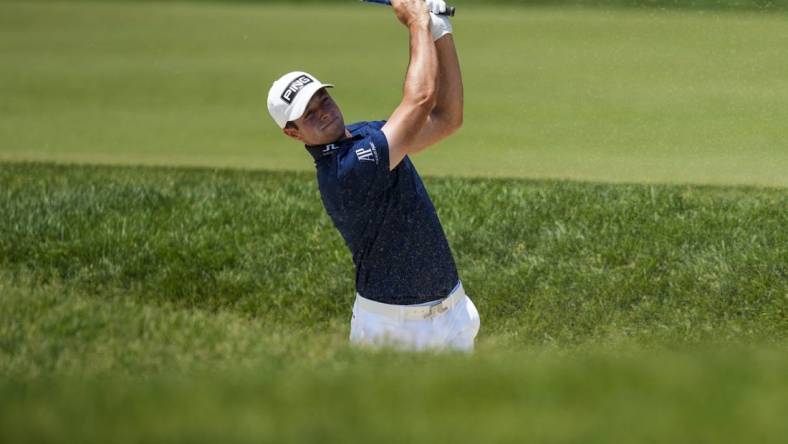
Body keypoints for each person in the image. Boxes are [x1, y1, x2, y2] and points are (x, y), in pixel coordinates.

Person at [266, 0, 480, 352]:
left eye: (322, 99)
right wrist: (417, 22)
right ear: (293, 133)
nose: (323, 112)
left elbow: (446, 118)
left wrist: (440, 29)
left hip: (452, 312)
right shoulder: (346, 172)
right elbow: (421, 98)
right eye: (308, 114)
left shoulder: (368, 136)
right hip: (393, 333)